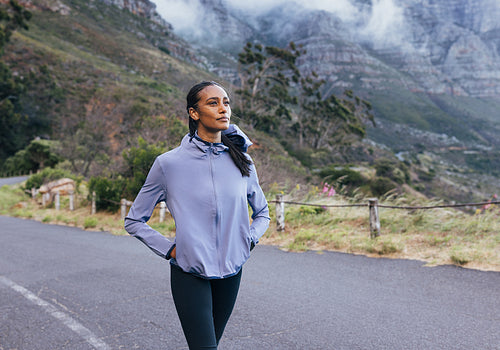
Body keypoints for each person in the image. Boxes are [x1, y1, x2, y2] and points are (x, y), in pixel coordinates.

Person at [124, 81, 270, 349]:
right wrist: (170, 250)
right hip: (190, 272)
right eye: (212, 103)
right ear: (194, 113)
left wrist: (248, 239)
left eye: (225, 102)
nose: (223, 109)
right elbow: (134, 220)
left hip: (232, 271)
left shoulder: (242, 161)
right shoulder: (168, 164)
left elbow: (263, 213)